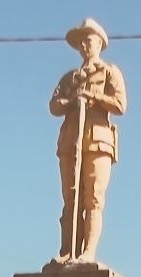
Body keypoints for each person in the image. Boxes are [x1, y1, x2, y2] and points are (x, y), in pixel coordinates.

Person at [49, 18, 127, 264]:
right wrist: (72, 102)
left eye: (88, 40)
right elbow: (54, 105)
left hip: (98, 141)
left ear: (99, 43)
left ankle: (87, 252)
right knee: (70, 200)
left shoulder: (109, 72)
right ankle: (66, 251)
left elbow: (120, 104)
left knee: (92, 198)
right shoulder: (68, 78)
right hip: (70, 141)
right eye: (80, 41)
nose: (84, 45)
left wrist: (92, 96)